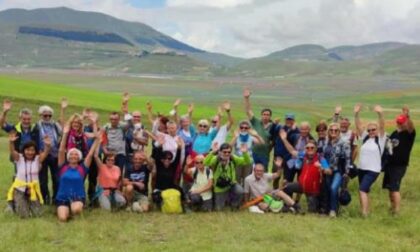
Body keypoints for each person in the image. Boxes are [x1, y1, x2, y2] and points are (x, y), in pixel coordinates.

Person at [56, 124, 100, 222]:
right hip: (62, 198)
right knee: (62, 219)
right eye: (71, 154)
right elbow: (61, 150)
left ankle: (74, 209)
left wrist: (97, 139)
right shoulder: (62, 166)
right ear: (68, 156)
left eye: (76, 154)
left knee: (76, 210)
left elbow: (90, 154)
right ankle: (66, 210)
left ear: (79, 157)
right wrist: (65, 134)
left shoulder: (82, 168)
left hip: (78, 197)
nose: (73, 156)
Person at [280, 131, 330, 213]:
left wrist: (322, 168)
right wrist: (284, 139)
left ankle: (317, 207)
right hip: (301, 186)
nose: (309, 149)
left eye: (312, 148)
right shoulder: (303, 155)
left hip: (312, 191)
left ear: (316, 148)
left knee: (312, 211)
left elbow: (329, 171)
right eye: (307, 148)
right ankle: (289, 206)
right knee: (286, 187)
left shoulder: (321, 158)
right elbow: (292, 151)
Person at [7, 134, 51, 218]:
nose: (30, 152)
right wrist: (11, 143)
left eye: (32, 150)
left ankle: (27, 203)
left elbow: (46, 152)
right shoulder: (19, 158)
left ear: (35, 151)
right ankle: (12, 204)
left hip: (33, 189)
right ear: (23, 150)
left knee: (38, 214)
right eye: (27, 150)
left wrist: (47, 145)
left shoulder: (38, 159)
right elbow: (12, 151)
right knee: (24, 215)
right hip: (20, 188)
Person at [383, 106, 416, 215]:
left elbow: (410, 126)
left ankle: (396, 213)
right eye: (399, 122)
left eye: (403, 122)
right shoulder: (395, 133)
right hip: (390, 165)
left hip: (399, 166)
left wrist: (406, 115)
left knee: (394, 188)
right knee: (390, 188)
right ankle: (392, 209)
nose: (401, 124)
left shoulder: (409, 134)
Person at [354, 104, 386, 217]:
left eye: (373, 129)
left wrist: (380, 114)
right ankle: (366, 210)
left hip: (373, 170)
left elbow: (382, 125)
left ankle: (364, 214)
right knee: (364, 191)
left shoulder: (381, 138)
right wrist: (356, 114)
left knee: (362, 190)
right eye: (369, 130)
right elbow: (358, 126)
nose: (371, 131)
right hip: (362, 168)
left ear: (377, 130)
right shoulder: (366, 138)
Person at [204, 142, 251, 211]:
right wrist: (212, 152)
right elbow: (205, 163)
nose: (227, 154)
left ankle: (234, 206)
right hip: (219, 186)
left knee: (240, 191)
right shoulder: (216, 159)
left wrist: (245, 153)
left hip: (231, 184)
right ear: (220, 152)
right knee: (219, 209)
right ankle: (224, 201)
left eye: (229, 152)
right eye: (224, 152)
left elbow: (247, 162)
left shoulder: (233, 158)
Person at [321, 123, 351, 217]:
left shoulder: (344, 143)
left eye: (336, 130)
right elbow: (322, 157)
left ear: (339, 132)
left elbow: (347, 158)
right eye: (331, 130)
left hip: (338, 170)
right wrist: (325, 167)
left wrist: (346, 173)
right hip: (327, 170)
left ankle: (333, 210)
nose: (333, 132)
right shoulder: (326, 142)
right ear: (329, 131)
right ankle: (328, 209)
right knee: (328, 189)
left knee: (334, 188)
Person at [37, 104, 63, 204]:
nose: (47, 117)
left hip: (55, 155)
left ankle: (56, 198)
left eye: (49, 115)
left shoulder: (56, 125)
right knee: (43, 179)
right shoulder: (37, 126)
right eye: (45, 115)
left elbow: (63, 133)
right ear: (40, 115)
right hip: (42, 155)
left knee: (56, 179)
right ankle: (45, 198)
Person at [243, 88, 273, 169]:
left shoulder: (273, 126)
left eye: (267, 114)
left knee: (263, 174)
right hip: (254, 152)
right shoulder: (256, 122)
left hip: (264, 155)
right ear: (261, 115)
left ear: (270, 116)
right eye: (264, 114)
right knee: (251, 172)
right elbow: (248, 111)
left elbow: (273, 142)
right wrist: (246, 98)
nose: (265, 116)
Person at [151, 136, 184, 209]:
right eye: (165, 158)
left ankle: (183, 204)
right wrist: (160, 145)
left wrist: (179, 148)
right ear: (162, 159)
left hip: (170, 189)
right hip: (159, 189)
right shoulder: (159, 165)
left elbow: (178, 158)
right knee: (156, 197)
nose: (167, 160)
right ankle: (158, 205)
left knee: (180, 190)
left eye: (169, 158)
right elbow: (157, 155)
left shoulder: (173, 166)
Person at [230, 120, 264, 185]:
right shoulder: (236, 137)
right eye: (241, 127)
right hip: (238, 161)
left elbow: (262, 143)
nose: (243, 129)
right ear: (239, 128)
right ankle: (238, 192)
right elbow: (229, 146)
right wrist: (235, 137)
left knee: (246, 179)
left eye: (246, 128)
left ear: (249, 129)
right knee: (237, 178)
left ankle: (245, 193)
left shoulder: (251, 138)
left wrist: (257, 135)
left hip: (248, 161)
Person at [270, 113, 300, 187]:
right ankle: (275, 191)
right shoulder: (280, 128)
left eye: (291, 120)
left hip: (289, 158)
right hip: (278, 156)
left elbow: (296, 139)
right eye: (287, 119)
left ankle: (285, 194)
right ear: (285, 120)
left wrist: (294, 129)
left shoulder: (297, 130)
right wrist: (274, 124)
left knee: (287, 177)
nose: (289, 121)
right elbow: (271, 133)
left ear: (294, 121)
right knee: (276, 176)